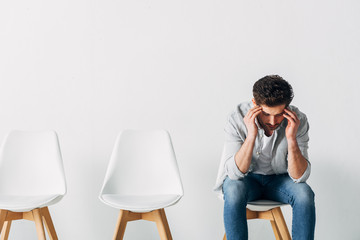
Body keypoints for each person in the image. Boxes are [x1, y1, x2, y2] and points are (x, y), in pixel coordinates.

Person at [214, 75, 315, 240]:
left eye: (279, 114)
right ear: (255, 104)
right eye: (267, 114)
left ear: (287, 108)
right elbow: (234, 174)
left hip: (279, 181)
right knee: (233, 189)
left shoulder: (298, 120)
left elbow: (299, 177)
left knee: (305, 194)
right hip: (247, 180)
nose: (273, 121)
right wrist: (251, 134)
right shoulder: (237, 118)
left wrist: (291, 138)